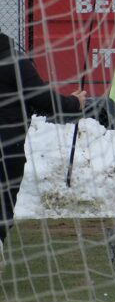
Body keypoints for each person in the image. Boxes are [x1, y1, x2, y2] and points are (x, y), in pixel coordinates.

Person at [1, 32, 86, 259]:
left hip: (9, 146)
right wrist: (74, 103)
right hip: (7, 148)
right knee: (3, 206)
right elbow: (43, 99)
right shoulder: (15, 61)